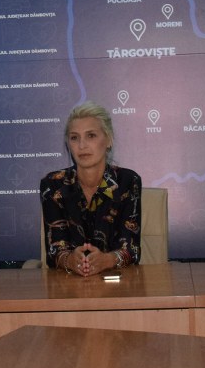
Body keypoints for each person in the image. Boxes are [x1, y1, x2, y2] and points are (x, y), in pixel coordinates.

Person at [40, 101, 141, 276]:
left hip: (117, 282)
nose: (82, 145)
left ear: (108, 140)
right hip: (68, 283)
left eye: (91, 136)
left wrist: (106, 260)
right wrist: (70, 260)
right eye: (74, 138)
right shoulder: (53, 184)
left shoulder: (127, 181)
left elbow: (131, 250)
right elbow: (55, 251)